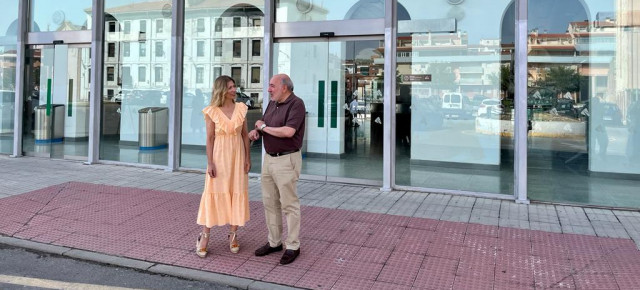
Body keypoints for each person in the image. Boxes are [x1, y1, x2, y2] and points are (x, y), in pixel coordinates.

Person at [248, 74, 306, 265]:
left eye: (272, 86)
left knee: (289, 204)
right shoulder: (273, 103)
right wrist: (257, 131)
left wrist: (263, 127)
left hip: (287, 160)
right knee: (270, 203)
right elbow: (264, 124)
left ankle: (293, 246)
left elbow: (288, 131)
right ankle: (274, 242)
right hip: (269, 160)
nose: (269, 89)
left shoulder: (296, 104)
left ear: (285, 87)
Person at [196, 75, 251, 258]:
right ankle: (204, 236)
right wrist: (210, 162)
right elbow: (210, 138)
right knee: (214, 192)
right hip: (219, 157)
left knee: (236, 191)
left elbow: (244, 135)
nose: (234, 90)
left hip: (237, 157)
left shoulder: (241, 108)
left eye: (234, 86)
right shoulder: (212, 111)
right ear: (222, 90)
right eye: (230, 87)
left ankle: (233, 234)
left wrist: (248, 158)